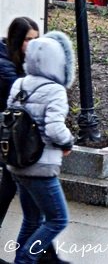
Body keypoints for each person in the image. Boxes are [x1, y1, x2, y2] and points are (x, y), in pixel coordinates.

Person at [8, 31, 75, 264]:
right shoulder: (55, 90)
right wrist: (68, 142)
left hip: (18, 163)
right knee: (58, 220)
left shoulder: (19, 84)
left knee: (32, 219)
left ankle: (22, 259)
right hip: (41, 166)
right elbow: (55, 129)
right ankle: (25, 259)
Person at [0, 17, 38, 233]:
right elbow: (21, 96)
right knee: (8, 186)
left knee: (10, 185)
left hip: (10, 133)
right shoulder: (6, 67)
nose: (32, 45)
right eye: (27, 40)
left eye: (35, 39)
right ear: (16, 40)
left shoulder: (20, 62)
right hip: (6, 132)